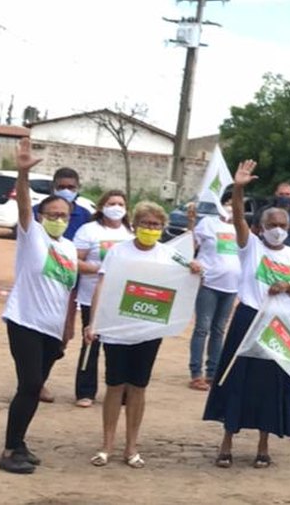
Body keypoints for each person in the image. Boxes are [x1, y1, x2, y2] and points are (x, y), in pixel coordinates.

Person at [203, 159, 290, 469]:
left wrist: (289, 286)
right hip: (249, 319)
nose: (277, 229)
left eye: (282, 224)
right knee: (236, 380)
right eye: (271, 225)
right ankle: (227, 443)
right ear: (259, 228)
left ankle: (264, 446)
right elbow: (238, 216)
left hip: (281, 325)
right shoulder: (249, 246)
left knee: (272, 383)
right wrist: (238, 189)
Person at [83, 201, 203, 469]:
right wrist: (94, 322)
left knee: (138, 386)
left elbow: (191, 272)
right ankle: (107, 445)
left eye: (157, 225)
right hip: (116, 330)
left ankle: (131, 447)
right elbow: (103, 284)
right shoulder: (117, 252)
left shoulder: (168, 254)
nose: (151, 228)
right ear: (135, 225)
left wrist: (195, 268)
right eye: (147, 223)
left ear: (163, 227)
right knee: (114, 386)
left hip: (148, 330)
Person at [0, 138, 79, 474]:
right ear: (41, 216)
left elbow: (69, 289)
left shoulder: (71, 249)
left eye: (63, 215)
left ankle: (20, 442)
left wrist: (67, 328)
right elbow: (22, 207)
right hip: (25, 321)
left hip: (51, 327)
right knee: (29, 385)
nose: (58, 218)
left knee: (33, 388)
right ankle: (8, 451)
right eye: (52, 214)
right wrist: (22, 174)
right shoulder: (33, 236)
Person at [34, 165, 92, 404]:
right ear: (53, 187)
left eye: (71, 187)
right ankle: (36, 383)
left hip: (72, 283)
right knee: (40, 334)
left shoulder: (85, 216)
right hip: (45, 282)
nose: (67, 191)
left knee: (63, 337)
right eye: (62, 187)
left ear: (78, 190)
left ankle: (39, 377)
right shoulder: (39, 212)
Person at [72, 189, 134, 407]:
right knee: (91, 342)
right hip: (92, 297)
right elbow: (75, 261)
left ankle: (120, 390)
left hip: (122, 299)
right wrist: (97, 268)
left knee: (119, 345)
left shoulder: (131, 232)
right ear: (102, 207)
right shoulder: (89, 231)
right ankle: (85, 391)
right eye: (112, 203)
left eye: (121, 203)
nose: (116, 207)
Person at [188, 188, 242, 391]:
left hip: (231, 287)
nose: (231, 207)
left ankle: (213, 372)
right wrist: (191, 224)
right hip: (209, 284)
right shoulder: (208, 224)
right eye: (228, 202)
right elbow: (192, 245)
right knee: (202, 328)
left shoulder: (241, 227)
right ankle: (196, 373)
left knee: (219, 330)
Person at [271, 181, 290, 248]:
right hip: (269, 248)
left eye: (287, 194)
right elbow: (255, 230)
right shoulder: (265, 211)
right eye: (281, 194)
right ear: (276, 194)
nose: (284, 197)